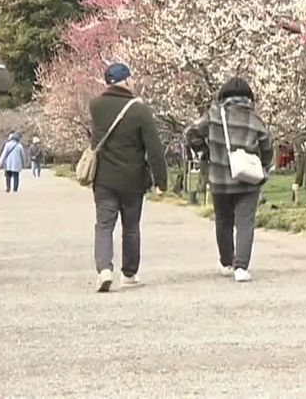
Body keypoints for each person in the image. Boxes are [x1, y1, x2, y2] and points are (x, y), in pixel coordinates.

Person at [87, 63, 168, 293]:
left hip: (103, 178)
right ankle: (129, 273)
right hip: (132, 180)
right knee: (130, 227)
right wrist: (161, 181)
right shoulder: (139, 110)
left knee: (104, 225)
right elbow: (153, 147)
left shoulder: (96, 106)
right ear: (126, 80)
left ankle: (104, 269)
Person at [185, 77, 273, 283]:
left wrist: (205, 152)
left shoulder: (213, 116)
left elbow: (190, 133)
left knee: (223, 221)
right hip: (248, 179)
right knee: (245, 222)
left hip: (219, 179)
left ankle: (227, 262)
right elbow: (268, 148)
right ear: (249, 98)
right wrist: (263, 167)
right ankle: (241, 267)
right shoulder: (255, 120)